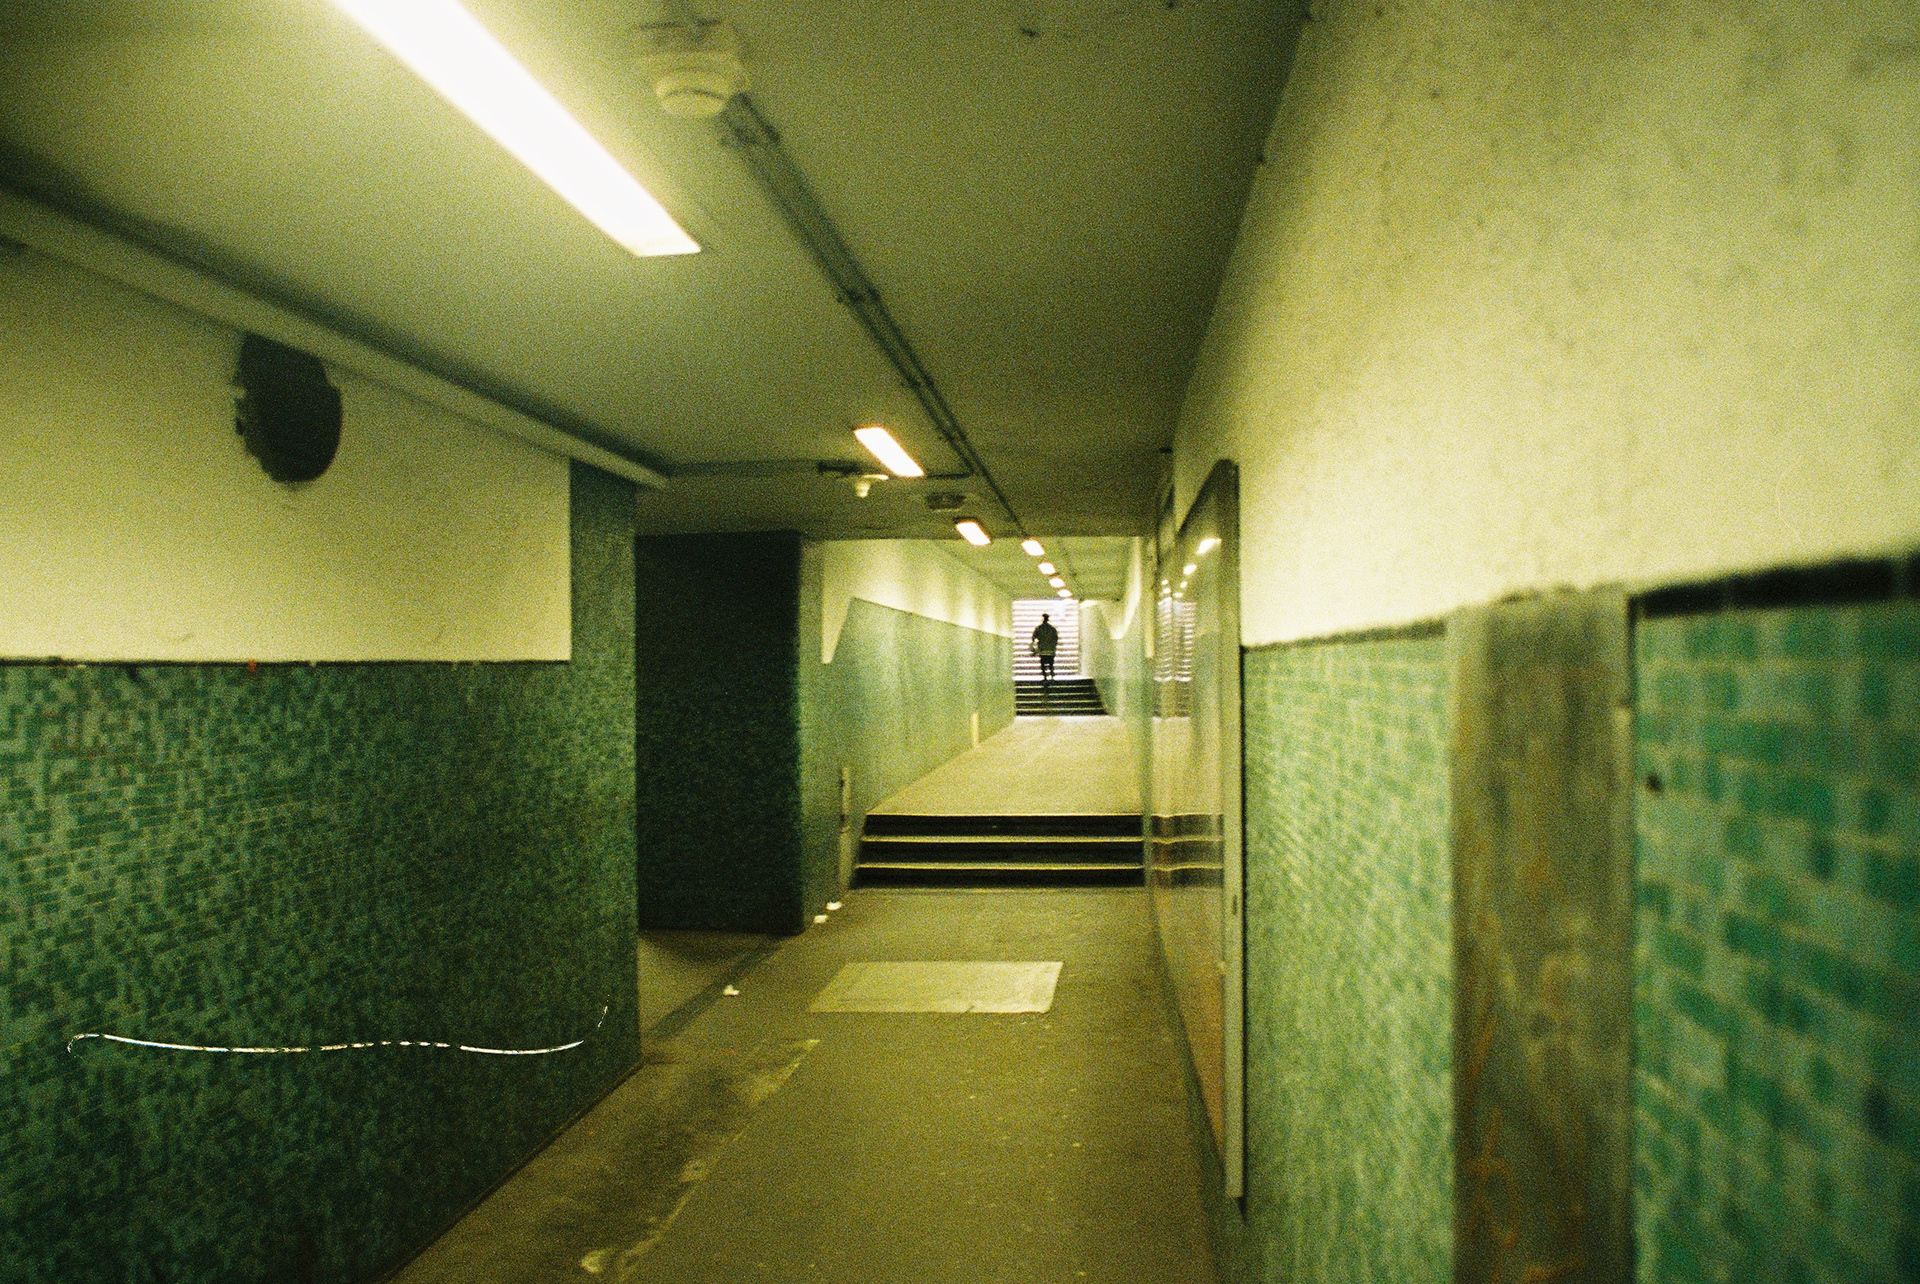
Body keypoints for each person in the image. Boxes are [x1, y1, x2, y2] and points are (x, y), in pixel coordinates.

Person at [1030, 613, 1059, 687]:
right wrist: (1053, 646)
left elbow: (1034, 637)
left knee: (1043, 664)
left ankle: (1045, 678)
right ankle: (1052, 677)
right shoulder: (1052, 628)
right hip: (1051, 650)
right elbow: (1056, 639)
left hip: (1042, 650)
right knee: (1051, 664)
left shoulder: (1039, 628)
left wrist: (1034, 648)